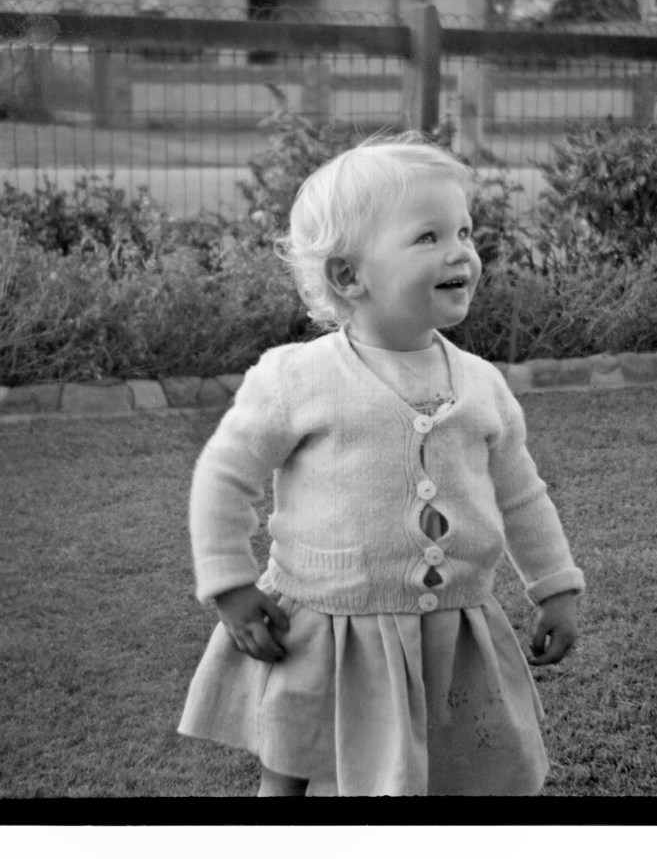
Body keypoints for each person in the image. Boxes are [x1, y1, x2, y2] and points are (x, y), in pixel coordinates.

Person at [178, 134, 584, 797]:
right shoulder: (296, 378)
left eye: (464, 231)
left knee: (457, 769)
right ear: (348, 275)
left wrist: (555, 585)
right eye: (427, 236)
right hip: (328, 629)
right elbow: (224, 477)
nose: (460, 251)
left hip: (452, 628)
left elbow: (521, 494)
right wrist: (230, 583)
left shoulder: (481, 384)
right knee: (295, 765)